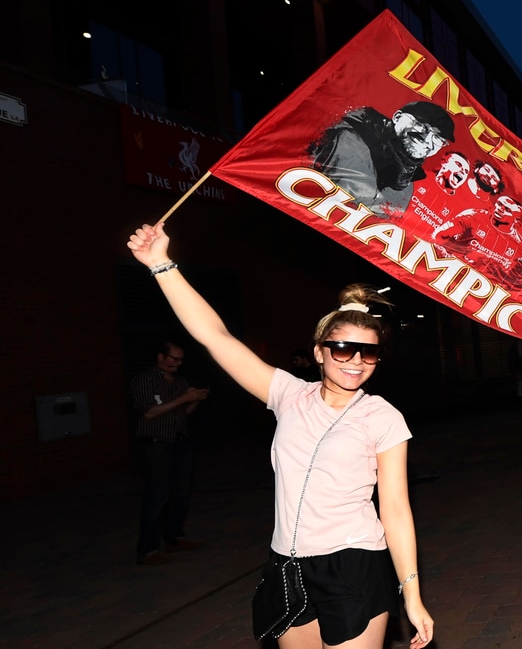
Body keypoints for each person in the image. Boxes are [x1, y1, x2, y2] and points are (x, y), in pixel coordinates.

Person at [126, 222, 433, 648]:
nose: (356, 361)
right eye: (343, 348)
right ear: (319, 351)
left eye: (369, 352)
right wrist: (161, 264)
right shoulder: (288, 394)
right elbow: (214, 335)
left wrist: (412, 596)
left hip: (353, 563)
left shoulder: (382, 416)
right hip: (287, 564)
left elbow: (396, 509)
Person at [130, 341, 209, 565]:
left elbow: (183, 413)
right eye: (174, 358)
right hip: (156, 445)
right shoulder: (145, 380)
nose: (178, 363)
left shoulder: (179, 381)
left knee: (180, 493)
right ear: (160, 357)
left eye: (181, 360)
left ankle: (174, 538)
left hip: (180, 443)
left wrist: (195, 400)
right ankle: (148, 550)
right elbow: (149, 413)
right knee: (157, 496)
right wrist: (184, 399)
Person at [309, 101, 455, 216]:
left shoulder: (407, 185)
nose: (427, 140)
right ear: (397, 118)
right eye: (421, 125)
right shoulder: (348, 141)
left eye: (438, 138)